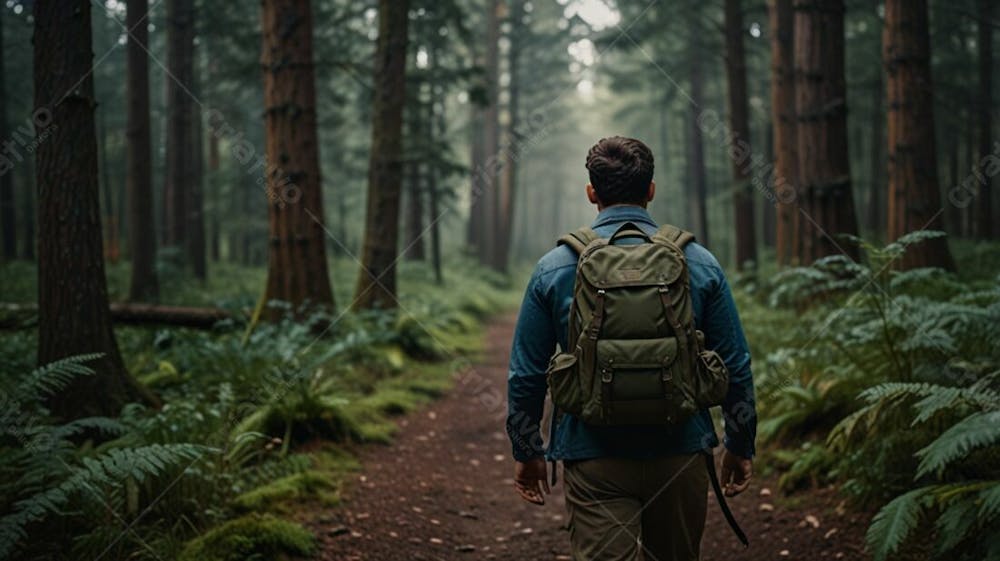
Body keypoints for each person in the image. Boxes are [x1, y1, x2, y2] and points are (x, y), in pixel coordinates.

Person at [505, 136, 757, 561]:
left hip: (593, 454)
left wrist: (527, 450)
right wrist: (740, 442)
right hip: (680, 449)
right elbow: (735, 362)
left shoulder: (555, 266)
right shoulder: (698, 261)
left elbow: (526, 373)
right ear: (651, 190)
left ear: (591, 193)